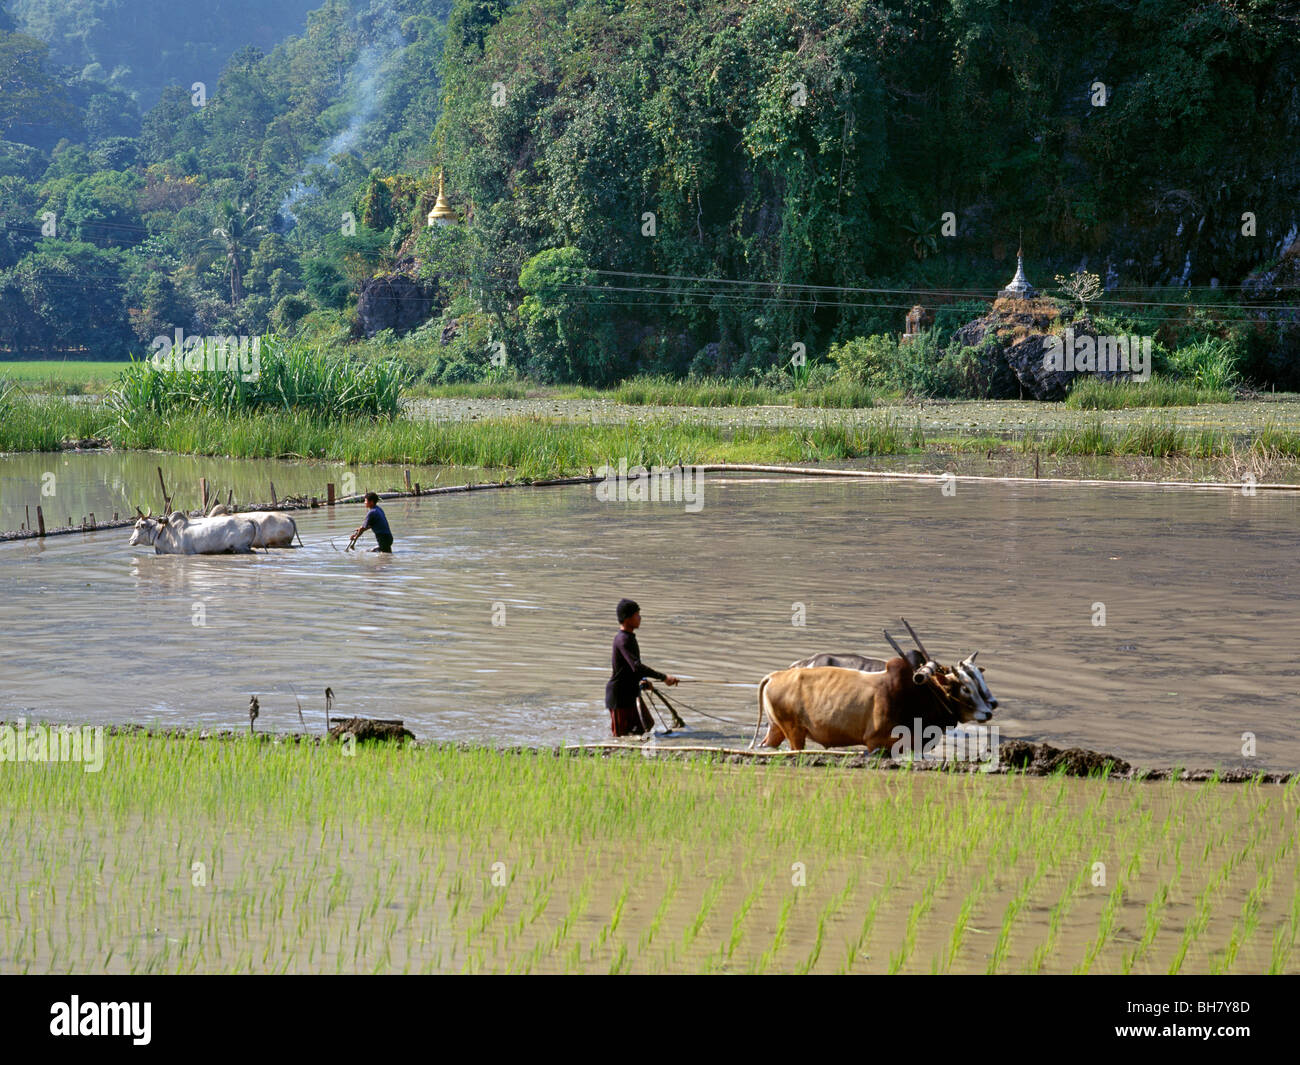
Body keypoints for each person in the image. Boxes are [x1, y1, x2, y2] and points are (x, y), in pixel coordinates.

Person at [605, 598, 678, 737]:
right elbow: (637, 666)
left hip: (629, 693)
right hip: (619, 697)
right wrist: (664, 678)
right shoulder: (623, 640)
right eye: (637, 614)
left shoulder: (629, 637)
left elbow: (632, 667)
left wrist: (643, 680)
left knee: (645, 728)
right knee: (622, 737)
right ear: (627, 618)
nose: (640, 618)